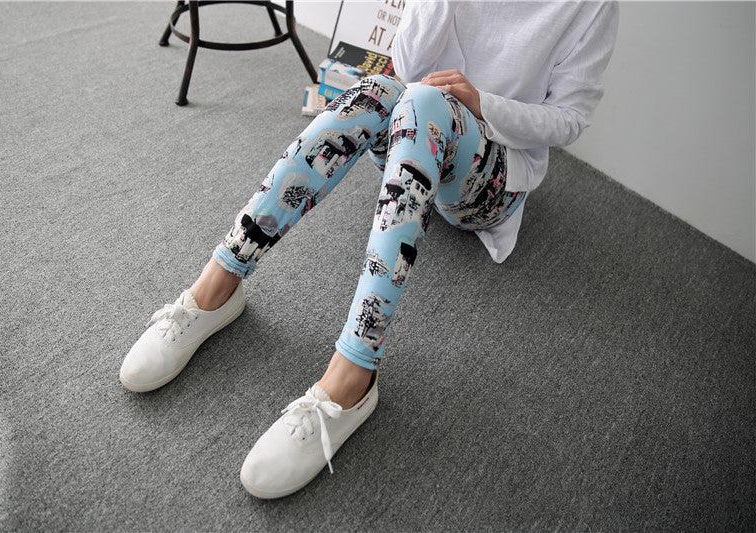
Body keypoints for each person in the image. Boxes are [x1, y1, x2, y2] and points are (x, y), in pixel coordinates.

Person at [120, 0, 619, 498]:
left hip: (491, 182)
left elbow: (571, 119)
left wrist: (482, 103)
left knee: (424, 101)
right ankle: (219, 281)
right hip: (418, 135)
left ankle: (353, 373)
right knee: (375, 91)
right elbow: (407, 63)